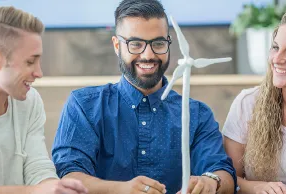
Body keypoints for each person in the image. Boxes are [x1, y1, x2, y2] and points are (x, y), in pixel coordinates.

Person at [52, 0, 237, 194]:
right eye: (135, 44)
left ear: (168, 43)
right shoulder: (84, 106)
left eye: (158, 43)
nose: (148, 55)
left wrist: (210, 182)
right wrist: (122, 190)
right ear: (117, 45)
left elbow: (223, 173)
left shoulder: (197, 114)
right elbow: (69, 176)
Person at [0, 6, 88, 194]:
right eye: (30, 62)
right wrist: (31, 192)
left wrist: (55, 187)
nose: (39, 73)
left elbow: (37, 166)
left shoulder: (30, 101)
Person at [223, 2, 286, 194]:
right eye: (275, 47)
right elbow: (227, 178)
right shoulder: (247, 104)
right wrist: (257, 188)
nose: (277, 59)